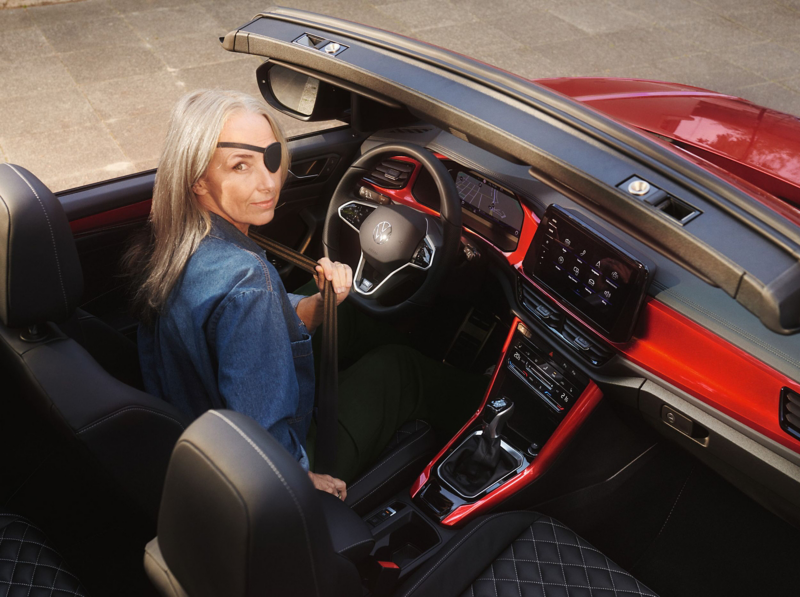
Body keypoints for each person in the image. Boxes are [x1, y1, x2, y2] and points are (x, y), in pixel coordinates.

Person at [126, 89, 485, 501]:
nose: (268, 182)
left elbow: (238, 331)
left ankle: (435, 363)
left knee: (343, 315)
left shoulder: (171, 239)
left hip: (198, 433)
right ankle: (493, 404)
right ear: (197, 179)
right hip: (261, 474)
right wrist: (298, 478)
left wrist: (318, 306)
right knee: (401, 371)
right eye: (240, 165)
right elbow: (262, 436)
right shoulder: (246, 280)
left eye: (272, 158)